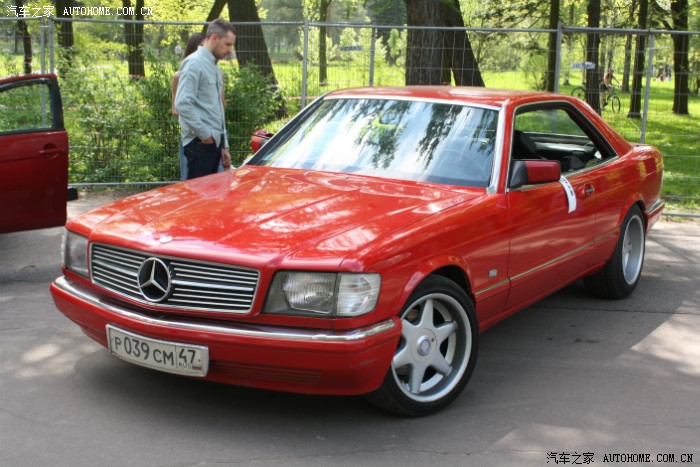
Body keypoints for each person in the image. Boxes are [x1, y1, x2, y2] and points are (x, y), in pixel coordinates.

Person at [175, 19, 235, 180]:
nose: (230, 49)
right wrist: (205, 135)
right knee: (197, 194)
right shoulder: (194, 63)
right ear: (214, 38)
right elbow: (182, 104)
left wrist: (223, 145)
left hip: (213, 144)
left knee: (211, 193)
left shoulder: (215, 67)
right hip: (200, 145)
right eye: (227, 44)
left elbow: (218, 109)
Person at [171, 33, 205, 181]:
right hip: (191, 139)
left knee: (215, 185)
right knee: (190, 185)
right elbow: (175, 110)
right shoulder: (179, 76)